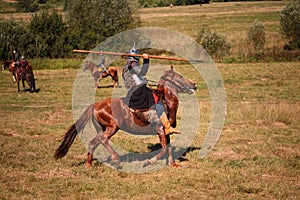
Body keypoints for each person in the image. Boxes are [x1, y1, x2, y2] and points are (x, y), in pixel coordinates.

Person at [122, 46, 180, 135]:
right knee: (158, 102)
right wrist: (146, 59)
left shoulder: (126, 67)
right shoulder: (133, 64)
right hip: (140, 91)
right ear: (136, 57)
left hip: (134, 91)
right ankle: (167, 127)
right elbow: (143, 72)